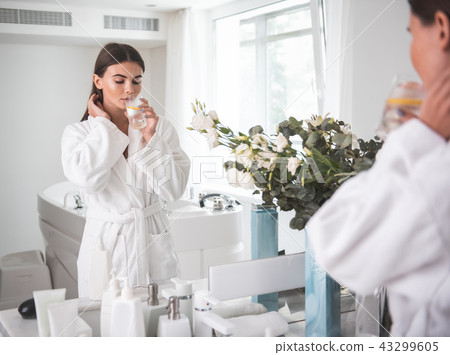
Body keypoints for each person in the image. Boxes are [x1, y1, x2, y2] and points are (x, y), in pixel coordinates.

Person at [308, 0, 450, 336]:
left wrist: (416, 139)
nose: (413, 51)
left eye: (412, 34)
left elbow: (337, 244)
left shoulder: (433, 167)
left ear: (441, 29)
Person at [61, 43, 190, 297]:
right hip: (106, 246)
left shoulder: (159, 128)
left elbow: (173, 190)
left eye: (136, 81)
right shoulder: (78, 133)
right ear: (98, 81)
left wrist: (151, 137)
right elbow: (88, 182)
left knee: (157, 324)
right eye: (119, 81)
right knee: (106, 324)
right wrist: (104, 127)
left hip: (151, 243)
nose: (129, 89)